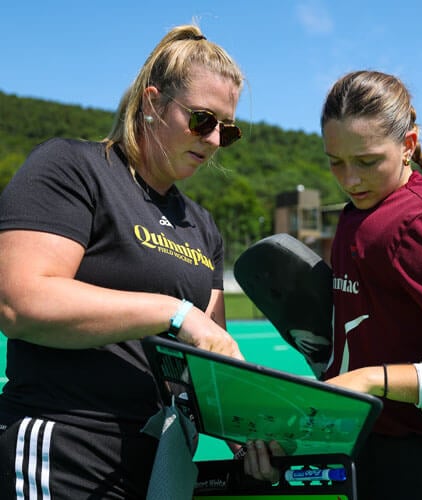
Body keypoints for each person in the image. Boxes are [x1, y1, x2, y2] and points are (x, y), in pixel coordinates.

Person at [0, 24, 245, 499]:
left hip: (160, 467)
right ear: (153, 104)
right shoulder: (73, 167)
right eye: (202, 120)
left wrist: (255, 430)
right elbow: (19, 301)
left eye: (227, 129)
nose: (214, 140)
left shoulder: (202, 225)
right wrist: (171, 312)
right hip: (65, 449)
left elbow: (214, 360)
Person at [244, 70, 422, 499]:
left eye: (366, 161)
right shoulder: (354, 216)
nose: (350, 180)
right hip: (367, 458)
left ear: (408, 146)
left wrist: (372, 380)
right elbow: (352, 351)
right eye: (335, 161)